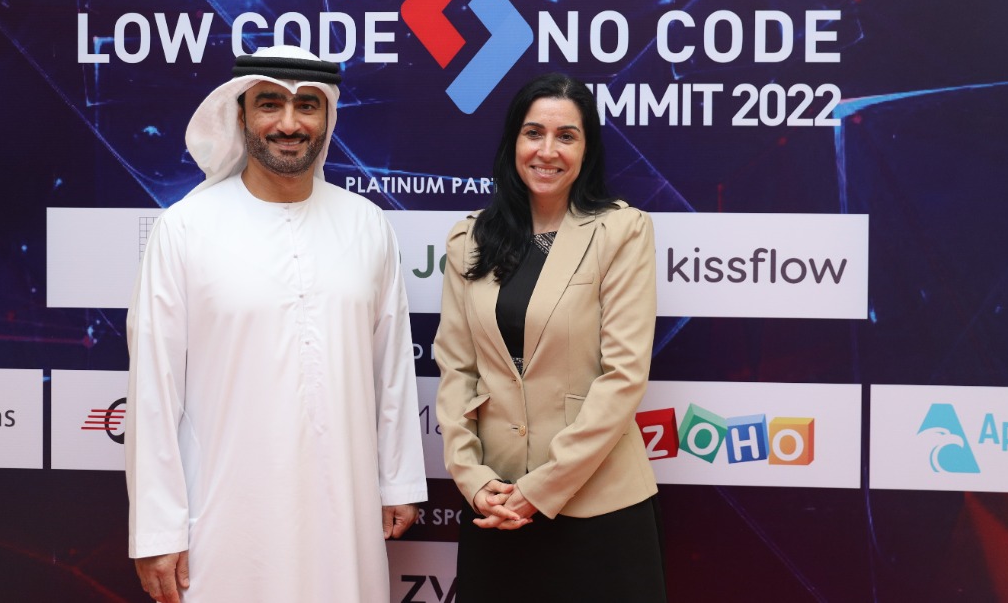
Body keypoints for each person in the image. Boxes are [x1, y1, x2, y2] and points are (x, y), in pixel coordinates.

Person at [125, 45, 428, 603]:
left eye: (307, 105)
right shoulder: (185, 229)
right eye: (270, 104)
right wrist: (157, 531)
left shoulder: (366, 225)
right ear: (240, 116)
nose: (289, 124)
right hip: (224, 516)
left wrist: (400, 480)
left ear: (327, 117)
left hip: (345, 508)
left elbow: (392, 368)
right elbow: (153, 394)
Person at [433, 73, 667, 603]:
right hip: (497, 506)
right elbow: (456, 370)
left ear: (587, 149)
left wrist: (540, 489)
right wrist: (472, 478)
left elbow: (624, 377)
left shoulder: (622, 231)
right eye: (533, 133)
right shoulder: (469, 238)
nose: (547, 151)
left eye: (566, 136)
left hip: (598, 507)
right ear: (513, 141)